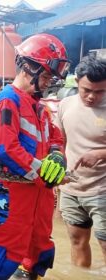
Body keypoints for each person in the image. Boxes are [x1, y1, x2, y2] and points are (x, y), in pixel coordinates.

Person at [0, 33, 70, 280]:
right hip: (10, 192)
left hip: (39, 193)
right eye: (45, 75)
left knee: (39, 249)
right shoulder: (7, 101)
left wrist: (57, 157)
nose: (48, 82)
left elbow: (56, 137)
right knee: (0, 253)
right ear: (29, 68)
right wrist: (42, 173)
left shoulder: (40, 107)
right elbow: (5, 148)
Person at [54, 55, 106, 268]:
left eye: (100, 91)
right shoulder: (65, 105)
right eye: (87, 90)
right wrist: (56, 180)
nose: (92, 97)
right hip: (71, 188)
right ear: (77, 82)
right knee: (77, 241)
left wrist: (100, 154)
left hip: (103, 190)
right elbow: (59, 143)